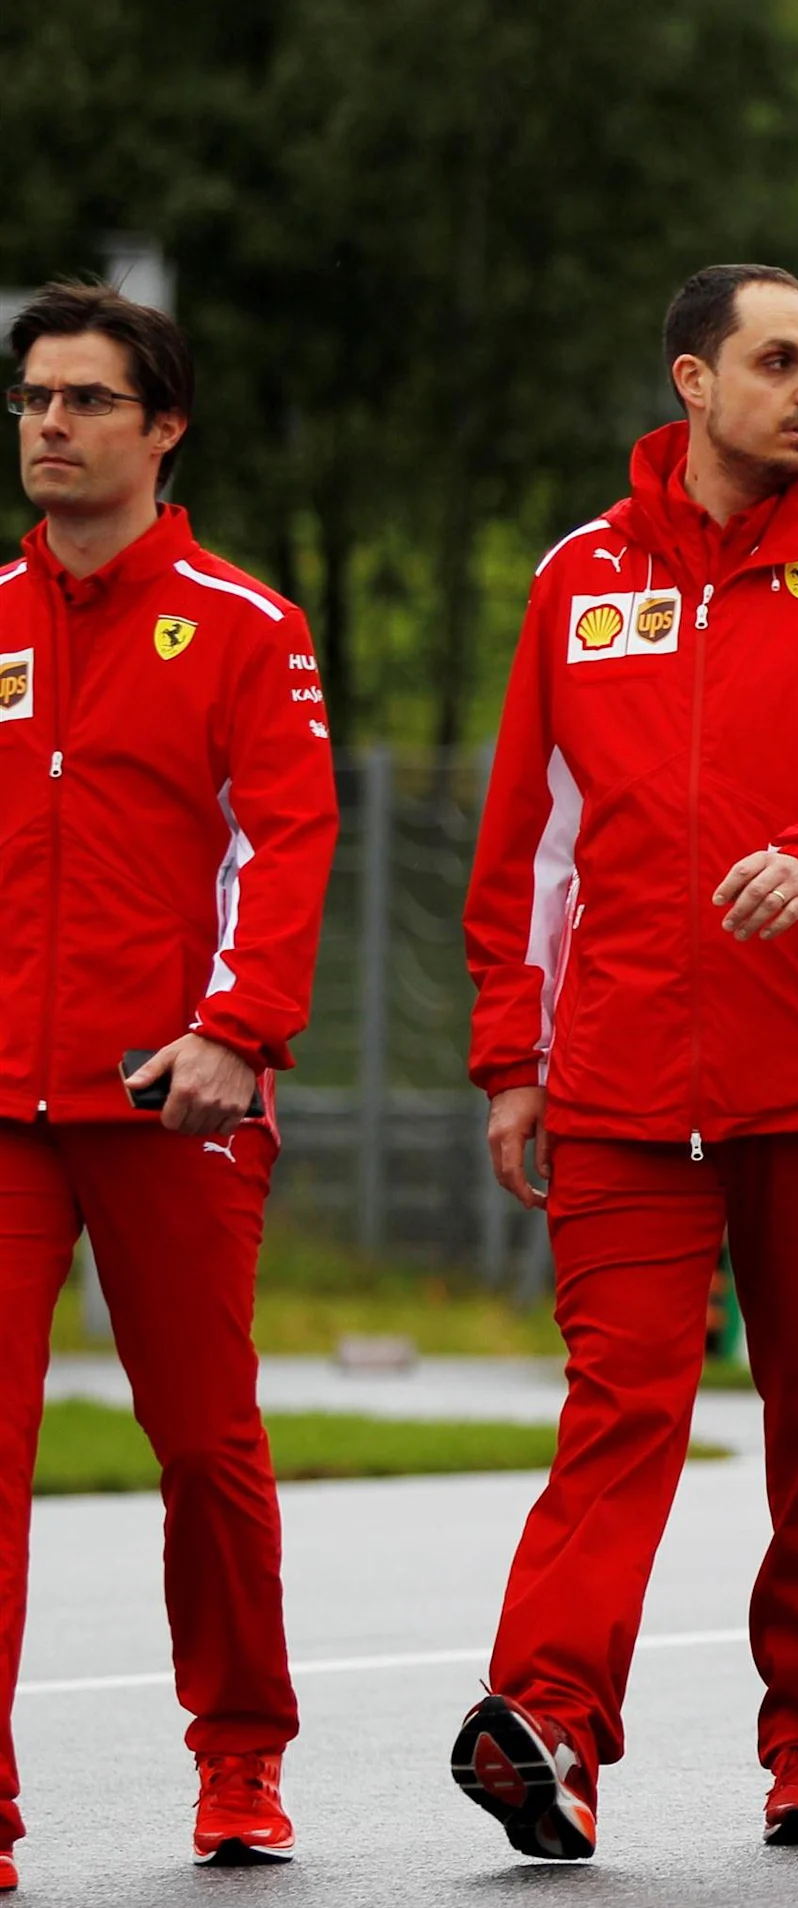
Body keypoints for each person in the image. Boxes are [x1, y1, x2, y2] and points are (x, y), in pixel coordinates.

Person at [450, 264, 798, 1861]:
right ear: (692, 381)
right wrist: (512, 1055)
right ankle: (542, 1722)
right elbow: (527, 841)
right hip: (615, 1081)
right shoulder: (576, 576)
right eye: (778, 360)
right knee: (619, 1406)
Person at [0, 282, 339, 1875]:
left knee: (204, 1448)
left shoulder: (246, 625)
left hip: (172, 1099)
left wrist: (236, 1030)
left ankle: (242, 1760)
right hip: (4, 1108)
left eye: (84, 400)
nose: (50, 426)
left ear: (162, 425)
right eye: (32, 401)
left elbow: (289, 842)